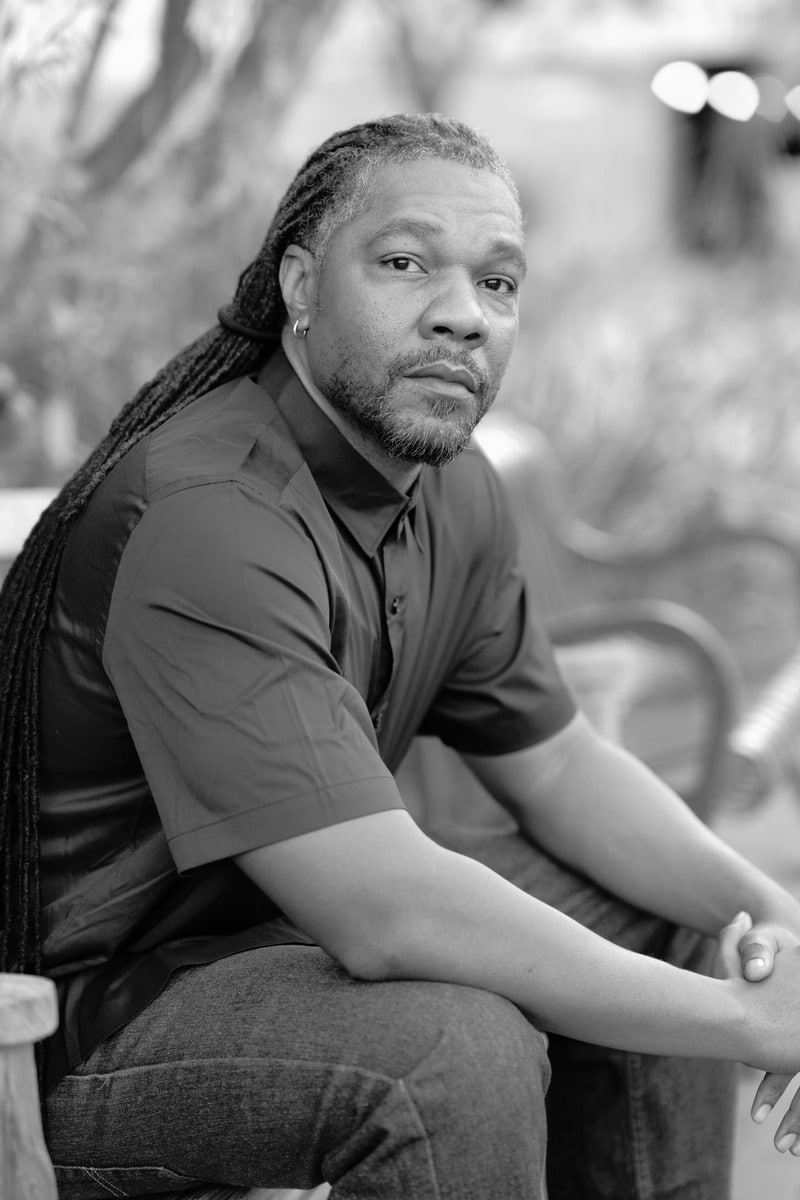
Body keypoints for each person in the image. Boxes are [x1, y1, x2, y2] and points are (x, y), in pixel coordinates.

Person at [2, 112, 800, 1200]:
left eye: (498, 282)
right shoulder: (209, 515)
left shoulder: (450, 488)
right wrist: (744, 1020)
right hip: (81, 1021)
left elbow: (559, 765)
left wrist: (770, 917)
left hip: (267, 935)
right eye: (404, 263)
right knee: (447, 1055)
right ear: (298, 285)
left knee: (662, 917)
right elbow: (382, 912)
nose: (463, 314)